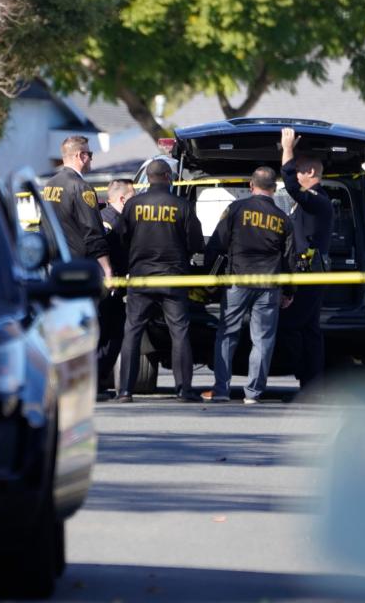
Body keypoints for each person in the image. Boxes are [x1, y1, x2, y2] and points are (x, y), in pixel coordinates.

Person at [203, 166, 295, 405]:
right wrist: (289, 291)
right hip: (269, 285)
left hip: (237, 281)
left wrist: (208, 278)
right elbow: (289, 259)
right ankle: (253, 393)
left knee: (227, 334)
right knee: (262, 339)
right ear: (274, 189)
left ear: (251, 187)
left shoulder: (235, 209)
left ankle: (222, 389)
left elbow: (216, 244)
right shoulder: (284, 219)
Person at [115, 160, 204, 403]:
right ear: (167, 176)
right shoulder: (181, 205)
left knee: (132, 331)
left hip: (141, 277)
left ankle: (125, 391)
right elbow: (196, 244)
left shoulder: (133, 204)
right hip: (173, 278)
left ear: (150, 177)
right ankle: (184, 390)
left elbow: (122, 238)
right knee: (179, 332)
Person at [280, 127, 334, 395]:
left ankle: (304, 374)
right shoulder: (313, 202)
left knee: (290, 324)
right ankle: (312, 384)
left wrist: (288, 150)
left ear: (311, 173)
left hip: (309, 274)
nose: (296, 174)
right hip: (309, 273)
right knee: (310, 329)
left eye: (300, 169)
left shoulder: (317, 200)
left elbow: (290, 185)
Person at [42, 136, 112, 278]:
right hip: (79, 267)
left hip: (55, 264)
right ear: (81, 156)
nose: (91, 159)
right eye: (90, 154)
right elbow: (92, 232)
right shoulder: (81, 187)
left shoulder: (50, 184)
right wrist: (107, 268)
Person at [96, 178, 135, 400]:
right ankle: (95, 381)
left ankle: (99, 379)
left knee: (115, 335)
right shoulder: (108, 221)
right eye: (132, 196)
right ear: (122, 199)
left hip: (117, 286)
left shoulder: (121, 219)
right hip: (106, 287)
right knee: (103, 336)